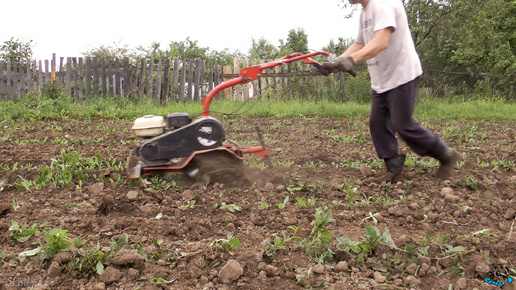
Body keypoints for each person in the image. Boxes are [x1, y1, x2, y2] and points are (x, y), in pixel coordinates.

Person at [319, 0, 461, 183]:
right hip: (381, 80)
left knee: (403, 124)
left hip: (402, 75)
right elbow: (360, 43)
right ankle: (394, 169)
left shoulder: (383, 4)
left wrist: (352, 60)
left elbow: (381, 42)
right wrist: (335, 63)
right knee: (377, 123)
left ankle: (446, 154)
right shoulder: (365, 11)